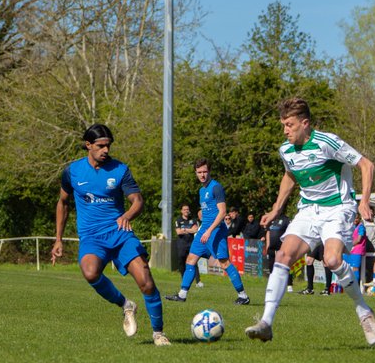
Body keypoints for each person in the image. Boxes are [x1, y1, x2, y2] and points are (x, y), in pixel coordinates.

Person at [245, 97, 375, 345]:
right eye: (283, 125)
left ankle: (363, 310)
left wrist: (364, 201)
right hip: (308, 210)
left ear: (305, 123)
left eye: (290, 125)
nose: (285, 130)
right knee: (283, 256)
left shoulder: (327, 142)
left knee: (331, 260)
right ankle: (266, 323)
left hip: (338, 209)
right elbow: (289, 176)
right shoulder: (286, 150)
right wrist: (277, 209)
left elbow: (366, 165)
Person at [52, 123, 168, 345]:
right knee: (90, 272)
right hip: (92, 237)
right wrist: (58, 239)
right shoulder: (72, 172)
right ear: (88, 145)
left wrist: (127, 215)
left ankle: (159, 334)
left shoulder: (120, 170)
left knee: (146, 280)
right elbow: (63, 203)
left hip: (120, 233)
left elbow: (138, 201)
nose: (106, 150)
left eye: (108, 146)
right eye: (101, 146)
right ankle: (126, 305)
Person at [165, 160, 251, 305]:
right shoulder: (201, 190)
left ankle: (243, 296)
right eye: (199, 172)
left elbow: (222, 212)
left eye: (205, 172)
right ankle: (182, 294)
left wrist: (209, 231)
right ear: (196, 173)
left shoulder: (216, 187)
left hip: (215, 231)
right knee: (190, 260)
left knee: (224, 263)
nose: (202, 175)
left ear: (209, 171)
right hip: (203, 230)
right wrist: (202, 224)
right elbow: (208, 210)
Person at [174, 204, 198, 278]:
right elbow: (178, 232)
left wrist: (185, 229)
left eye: (187, 209)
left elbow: (195, 230)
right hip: (181, 244)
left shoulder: (193, 219)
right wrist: (190, 230)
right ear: (181, 211)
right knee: (182, 261)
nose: (186, 211)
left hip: (191, 243)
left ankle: (198, 281)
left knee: (194, 261)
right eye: (184, 209)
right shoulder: (178, 220)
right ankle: (183, 278)